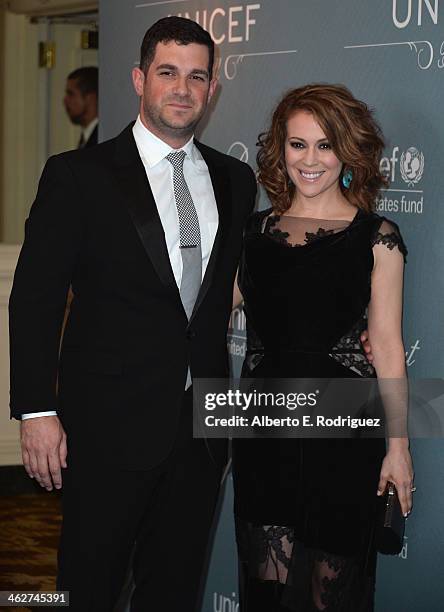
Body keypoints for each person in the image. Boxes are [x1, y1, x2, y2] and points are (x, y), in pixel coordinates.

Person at [9, 17, 256, 612]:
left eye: (197, 76)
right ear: (139, 78)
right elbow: (36, 298)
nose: (183, 88)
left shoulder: (234, 179)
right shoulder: (79, 176)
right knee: (87, 588)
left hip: (200, 431)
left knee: (173, 591)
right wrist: (36, 411)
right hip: (105, 431)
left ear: (213, 88)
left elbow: (225, 292)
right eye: (168, 73)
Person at [231, 84, 415, 611]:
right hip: (264, 436)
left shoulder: (377, 239)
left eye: (325, 145)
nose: (309, 160)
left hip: (344, 441)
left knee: (330, 597)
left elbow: (386, 344)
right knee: (266, 594)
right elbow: (201, 317)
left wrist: (397, 449)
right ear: (279, 151)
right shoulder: (251, 235)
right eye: (297, 145)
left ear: (348, 152)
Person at [63, 66, 99, 148]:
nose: (65, 100)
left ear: (90, 98)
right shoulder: (87, 137)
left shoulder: (102, 138)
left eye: (71, 94)